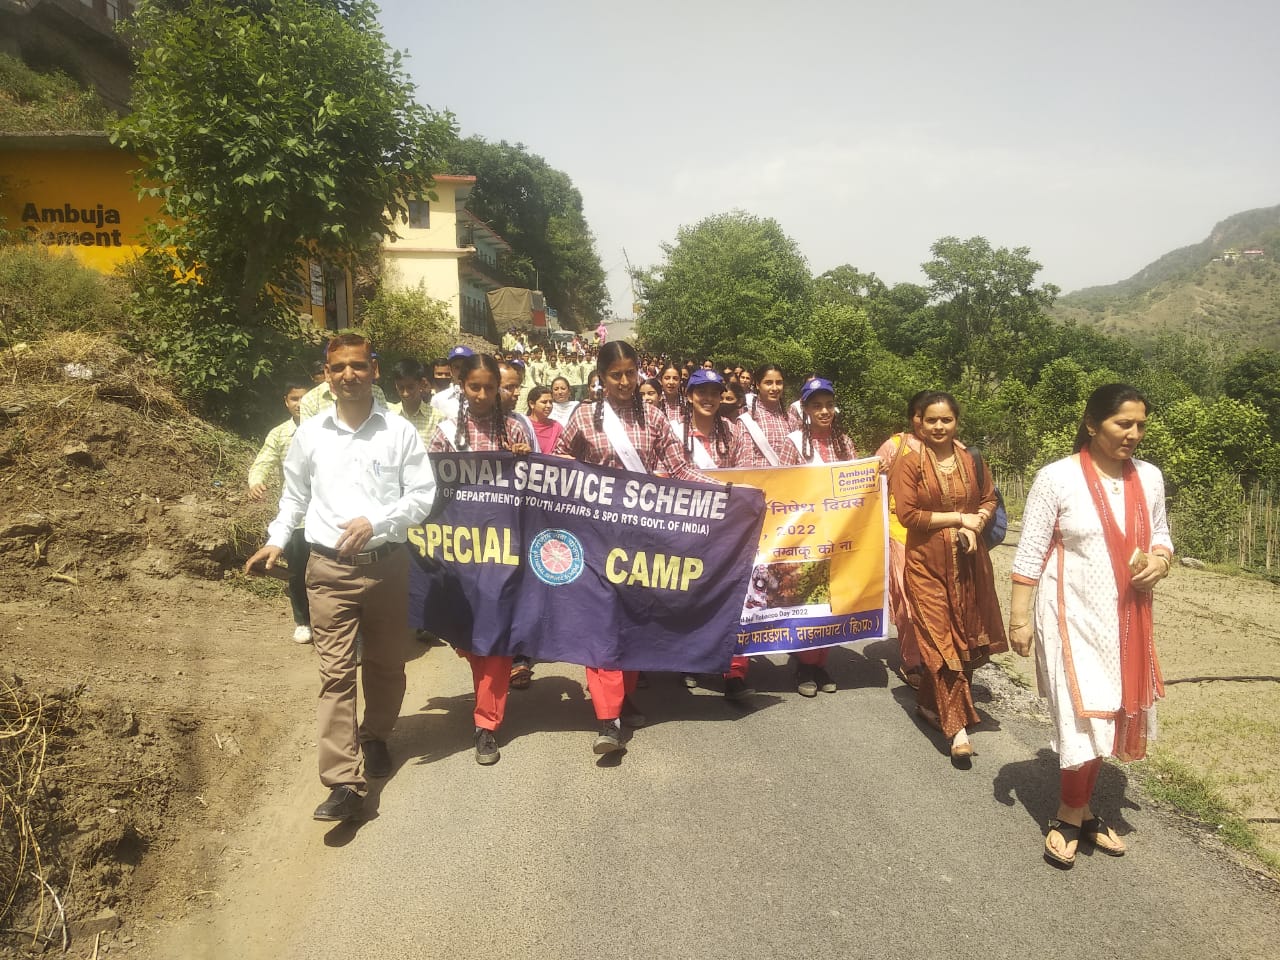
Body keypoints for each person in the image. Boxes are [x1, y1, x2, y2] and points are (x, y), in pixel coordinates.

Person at [244, 334, 435, 822]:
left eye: (358, 365)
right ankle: (344, 782)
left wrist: (378, 521)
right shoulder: (310, 434)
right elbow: (294, 496)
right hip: (327, 570)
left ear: (374, 370)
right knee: (335, 674)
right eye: (339, 368)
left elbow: (421, 495)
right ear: (326, 376)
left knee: (386, 665)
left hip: (387, 564)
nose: (349, 374)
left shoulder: (398, 431)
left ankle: (375, 736)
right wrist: (276, 538)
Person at [1009, 383, 1173, 868]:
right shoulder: (1057, 478)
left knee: (1109, 709)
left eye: (1140, 425)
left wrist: (1160, 562)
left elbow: (1162, 536)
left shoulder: (1149, 477)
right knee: (1080, 713)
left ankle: (1080, 810)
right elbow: (1030, 551)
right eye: (1123, 423)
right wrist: (1018, 619)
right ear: (1092, 424)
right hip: (1069, 613)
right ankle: (1069, 813)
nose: (1133, 434)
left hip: (1125, 617)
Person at [554, 341, 710, 755]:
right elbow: (558, 461)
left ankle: (622, 699)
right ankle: (607, 719)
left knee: (634, 621)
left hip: (642, 541)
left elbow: (680, 468)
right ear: (601, 378)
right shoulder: (583, 416)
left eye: (630, 373)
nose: (624, 382)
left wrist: (728, 492)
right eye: (615, 375)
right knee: (601, 623)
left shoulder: (654, 417)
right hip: (595, 539)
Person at [888, 391, 1006, 762]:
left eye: (946, 420)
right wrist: (958, 519)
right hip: (925, 567)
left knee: (965, 640)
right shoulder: (909, 463)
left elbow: (988, 499)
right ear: (918, 423)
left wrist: (976, 525)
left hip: (969, 566)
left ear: (956, 421)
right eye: (931, 420)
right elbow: (909, 516)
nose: (939, 426)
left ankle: (928, 704)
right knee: (941, 644)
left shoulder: (971, 459)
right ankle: (957, 729)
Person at [430, 354, 533, 765]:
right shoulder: (445, 434)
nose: (483, 394)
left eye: (491, 387)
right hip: (461, 551)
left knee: (495, 637)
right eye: (475, 386)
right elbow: (430, 487)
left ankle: (486, 723)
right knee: (470, 635)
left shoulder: (515, 429)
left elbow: (538, 486)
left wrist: (524, 458)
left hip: (503, 550)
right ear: (463, 387)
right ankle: (484, 695)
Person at [677, 368, 768, 701]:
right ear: (689, 396)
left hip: (728, 529)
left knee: (734, 595)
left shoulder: (733, 431)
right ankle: (688, 660)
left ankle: (735, 672)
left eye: (714, 392)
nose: (708, 398)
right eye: (701, 392)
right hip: (687, 526)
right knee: (690, 594)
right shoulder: (674, 431)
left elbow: (746, 473)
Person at [777, 377, 858, 695]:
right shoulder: (793, 442)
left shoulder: (845, 443)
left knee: (833, 599)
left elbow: (857, 485)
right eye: (817, 406)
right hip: (807, 534)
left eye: (828, 405)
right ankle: (805, 664)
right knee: (809, 597)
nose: (824, 411)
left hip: (837, 532)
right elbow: (783, 486)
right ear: (805, 410)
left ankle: (821, 662)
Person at [247, 380, 313, 644]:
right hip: (297, 516)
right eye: (294, 399)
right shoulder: (279, 434)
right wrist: (256, 481)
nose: (300, 404)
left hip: (327, 515)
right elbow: (263, 461)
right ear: (286, 402)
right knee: (297, 570)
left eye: (305, 398)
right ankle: (303, 621)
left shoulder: (327, 430)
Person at [874, 391, 931, 688]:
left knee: (935, 598)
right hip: (900, 531)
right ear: (912, 418)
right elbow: (866, 481)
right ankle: (912, 660)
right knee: (907, 598)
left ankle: (934, 655)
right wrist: (878, 473)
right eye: (921, 415)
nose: (927, 422)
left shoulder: (948, 450)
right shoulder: (895, 446)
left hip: (936, 532)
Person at [740, 364, 797, 466]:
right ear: (758, 385)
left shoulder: (791, 420)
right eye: (768, 383)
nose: (774, 388)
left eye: (779, 383)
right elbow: (745, 462)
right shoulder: (747, 420)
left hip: (788, 476)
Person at [386, 358, 443, 447]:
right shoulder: (388, 415)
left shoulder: (437, 418)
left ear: (421, 384)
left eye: (410, 387)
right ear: (396, 385)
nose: (405, 393)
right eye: (401, 388)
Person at [430, 345, 475, 421]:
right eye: (457, 367)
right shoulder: (438, 399)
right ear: (450, 370)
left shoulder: (480, 397)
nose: (461, 371)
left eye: (465, 367)